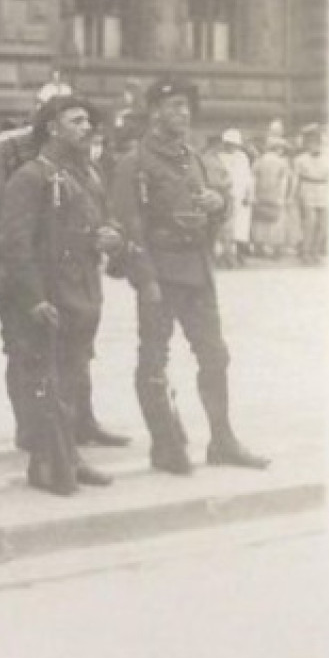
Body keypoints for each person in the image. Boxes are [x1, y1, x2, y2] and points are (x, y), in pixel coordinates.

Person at [109, 77, 269, 473]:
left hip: (196, 271)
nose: (183, 113)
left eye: (186, 106)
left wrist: (218, 205)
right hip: (159, 275)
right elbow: (128, 227)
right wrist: (144, 280)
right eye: (174, 105)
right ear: (155, 112)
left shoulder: (195, 158)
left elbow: (220, 203)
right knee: (154, 360)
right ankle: (165, 444)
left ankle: (222, 439)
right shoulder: (135, 162)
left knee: (215, 355)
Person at [0, 96, 122, 496]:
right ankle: (45, 463)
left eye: (88, 120)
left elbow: (105, 220)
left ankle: (67, 454)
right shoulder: (30, 177)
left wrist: (111, 236)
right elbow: (14, 245)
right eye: (77, 120)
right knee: (43, 380)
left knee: (71, 379)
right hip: (45, 294)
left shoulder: (86, 175)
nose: (87, 127)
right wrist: (34, 298)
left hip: (80, 291)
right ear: (52, 127)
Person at [215, 129, 254, 267]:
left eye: (234, 144)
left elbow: (248, 178)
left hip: (242, 196)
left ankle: (239, 255)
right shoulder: (219, 157)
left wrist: (249, 194)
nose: (232, 147)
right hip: (226, 195)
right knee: (226, 227)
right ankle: (225, 256)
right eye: (229, 144)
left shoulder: (242, 157)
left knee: (241, 227)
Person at [250, 136, 293, 259]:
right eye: (281, 148)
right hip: (275, 196)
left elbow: (253, 179)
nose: (282, 151)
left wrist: (253, 195)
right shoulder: (282, 162)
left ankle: (259, 248)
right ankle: (276, 250)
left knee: (259, 222)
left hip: (260, 195)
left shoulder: (259, 161)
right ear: (278, 149)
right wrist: (282, 197)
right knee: (276, 222)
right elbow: (283, 181)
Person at [294, 125, 328, 263]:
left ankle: (316, 252)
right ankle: (306, 253)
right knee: (310, 223)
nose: (315, 145)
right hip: (307, 191)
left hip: (324, 192)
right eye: (312, 142)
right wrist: (294, 195)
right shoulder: (300, 159)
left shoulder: (328, 157)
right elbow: (296, 178)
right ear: (307, 144)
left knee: (323, 224)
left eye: (318, 142)